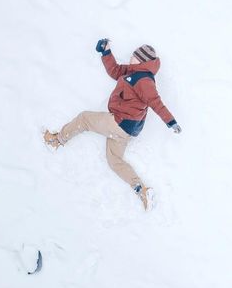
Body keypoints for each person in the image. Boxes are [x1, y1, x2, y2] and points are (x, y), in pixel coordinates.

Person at [44, 39, 181, 210]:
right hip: (126, 130)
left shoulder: (145, 80)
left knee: (84, 118)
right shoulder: (132, 72)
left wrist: (171, 121)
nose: (131, 57)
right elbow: (115, 70)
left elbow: (155, 102)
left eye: (134, 56)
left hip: (120, 122)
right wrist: (106, 52)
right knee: (114, 160)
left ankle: (56, 140)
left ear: (142, 60)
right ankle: (142, 190)